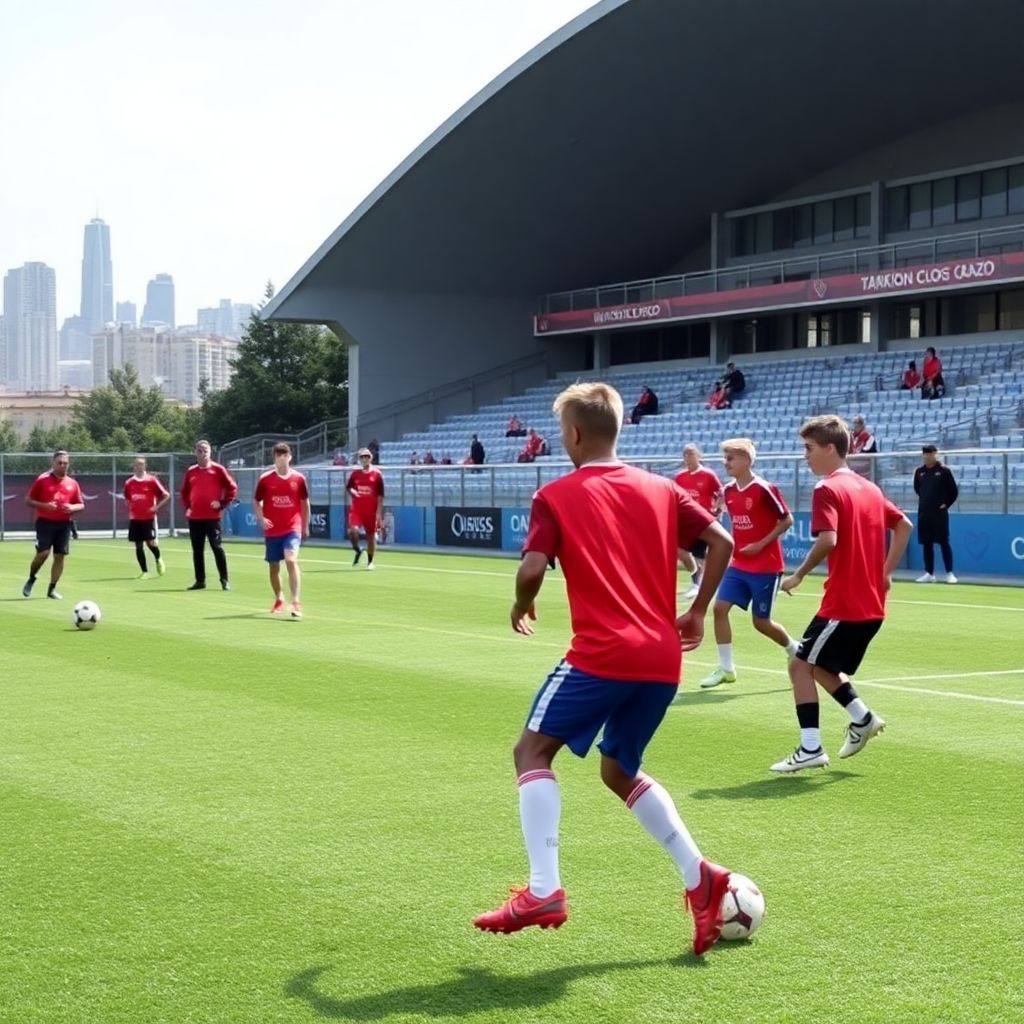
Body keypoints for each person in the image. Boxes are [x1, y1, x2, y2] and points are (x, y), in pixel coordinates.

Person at [472, 381, 737, 956]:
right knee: (618, 769)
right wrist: (695, 611)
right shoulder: (663, 488)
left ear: (572, 434)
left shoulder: (555, 495)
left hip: (602, 654)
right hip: (662, 657)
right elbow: (721, 541)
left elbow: (531, 570)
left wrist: (521, 603)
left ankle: (544, 889)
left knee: (531, 752)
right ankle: (702, 878)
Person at [776, 415, 913, 773]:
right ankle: (862, 718)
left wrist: (798, 574)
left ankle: (811, 747)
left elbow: (828, 539)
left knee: (799, 665)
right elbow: (903, 525)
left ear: (829, 448)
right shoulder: (869, 488)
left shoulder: (827, 488)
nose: (805, 456)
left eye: (808, 448)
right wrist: (885, 572)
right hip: (871, 605)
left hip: (845, 603)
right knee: (820, 666)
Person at [697, 439, 800, 690]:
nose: (726, 463)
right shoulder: (728, 491)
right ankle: (726, 669)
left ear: (746, 460)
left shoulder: (764, 488)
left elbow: (787, 520)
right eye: (725, 458)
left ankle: (795, 650)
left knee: (761, 623)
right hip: (739, 564)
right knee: (719, 608)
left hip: (766, 566)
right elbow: (718, 513)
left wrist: (760, 544)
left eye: (730, 458)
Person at [253, 442, 310, 618]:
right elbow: (256, 500)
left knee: (291, 560)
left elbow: (305, 503)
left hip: (293, 527)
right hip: (272, 530)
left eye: (285, 455)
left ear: (290, 457)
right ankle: (279, 598)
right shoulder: (265, 479)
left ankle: (296, 602)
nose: (282, 458)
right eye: (279, 455)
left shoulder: (299, 479)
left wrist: (305, 525)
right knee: (274, 566)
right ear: (274, 458)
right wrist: (261, 518)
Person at [22, 449, 85, 600]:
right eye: (60, 463)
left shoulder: (72, 483)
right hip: (45, 523)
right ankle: (32, 577)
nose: (63, 466)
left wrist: (72, 507)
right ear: (53, 463)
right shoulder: (42, 480)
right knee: (43, 553)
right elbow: (28, 501)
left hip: (64, 524)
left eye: (65, 463)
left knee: (60, 556)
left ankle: (52, 589)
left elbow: (81, 504)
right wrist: (44, 506)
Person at [181, 439, 238, 591]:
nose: (203, 454)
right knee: (197, 550)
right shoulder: (191, 471)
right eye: (199, 451)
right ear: (195, 452)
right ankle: (200, 581)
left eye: (205, 451)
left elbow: (232, 488)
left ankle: (224, 580)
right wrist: (188, 507)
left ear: (210, 452)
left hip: (212, 517)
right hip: (195, 517)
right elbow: (184, 492)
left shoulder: (218, 470)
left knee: (217, 547)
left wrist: (222, 503)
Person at [674, 443, 724, 600]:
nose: (687, 458)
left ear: (698, 456)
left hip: (702, 520)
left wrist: (716, 510)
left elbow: (721, 493)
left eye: (690, 454)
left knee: (699, 554)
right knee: (680, 550)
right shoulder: (680, 477)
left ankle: (697, 584)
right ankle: (697, 581)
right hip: (685, 520)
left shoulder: (708, 475)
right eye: (685, 455)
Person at [913, 444, 959, 583]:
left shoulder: (944, 471)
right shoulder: (919, 472)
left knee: (943, 542)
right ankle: (929, 573)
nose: (927, 457)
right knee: (927, 543)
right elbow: (917, 489)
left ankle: (949, 573)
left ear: (935, 454)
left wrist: (945, 504)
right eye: (925, 454)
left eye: (929, 454)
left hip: (939, 514)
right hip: (924, 512)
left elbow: (953, 491)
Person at [123, 456, 170, 579]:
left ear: (145, 466)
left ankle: (158, 558)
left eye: (141, 464)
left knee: (150, 543)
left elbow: (166, 495)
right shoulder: (129, 482)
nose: (139, 466)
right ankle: (144, 571)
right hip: (135, 518)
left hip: (148, 518)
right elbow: (127, 498)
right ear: (134, 466)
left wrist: (156, 507)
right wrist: (132, 508)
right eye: (136, 464)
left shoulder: (151, 480)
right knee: (138, 545)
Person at [347, 447, 385, 569]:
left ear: (370, 458)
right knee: (353, 531)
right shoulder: (355, 474)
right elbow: (349, 487)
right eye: (362, 457)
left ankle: (370, 561)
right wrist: (353, 491)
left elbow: (381, 494)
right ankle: (357, 550)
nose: (364, 459)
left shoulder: (377, 474)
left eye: (367, 456)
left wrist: (378, 512)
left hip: (371, 511)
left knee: (371, 536)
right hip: (357, 509)